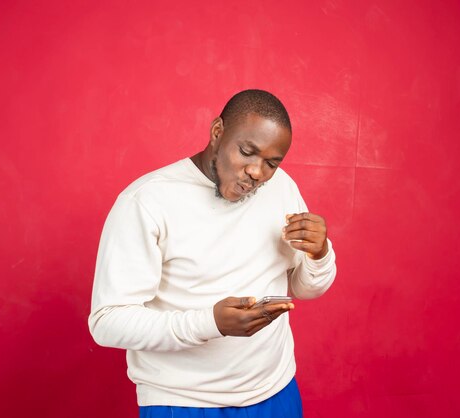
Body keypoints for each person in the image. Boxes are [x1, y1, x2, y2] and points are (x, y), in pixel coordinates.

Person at [89, 89, 337, 418]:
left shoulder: (282, 188)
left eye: (271, 163)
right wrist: (210, 323)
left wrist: (319, 252)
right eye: (247, 152)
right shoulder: (148, 201)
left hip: (275, 391)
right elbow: (107, 323)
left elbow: (307, 288)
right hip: (182, 402)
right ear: (217, 132)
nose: (257, 173)